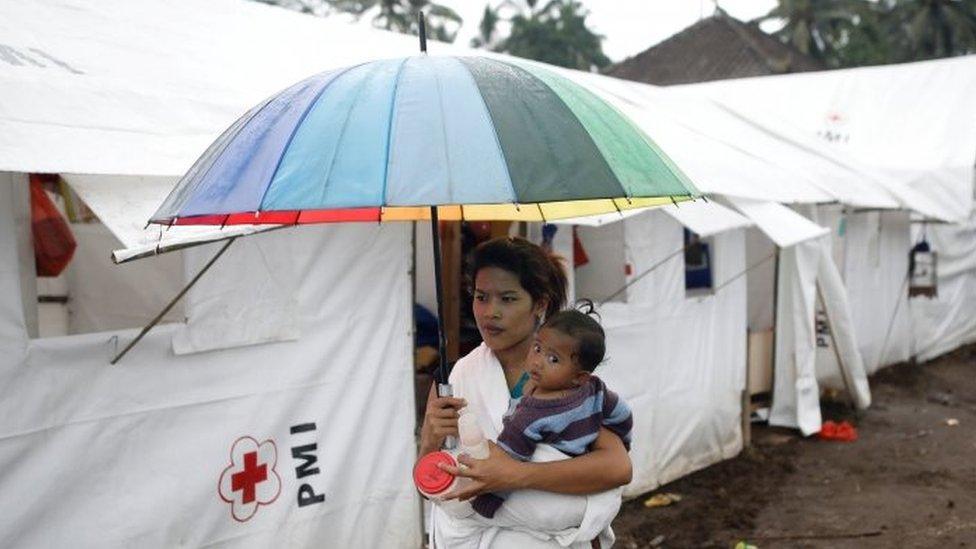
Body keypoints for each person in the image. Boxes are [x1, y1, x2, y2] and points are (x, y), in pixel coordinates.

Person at [418, 236, 632, 548]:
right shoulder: (454, 377)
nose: (490, 312)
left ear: (540, 303)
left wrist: (513, 475)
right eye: (481, 297)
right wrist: (429, 440)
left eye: (507, 299)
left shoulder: (570, 381)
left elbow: (617, 467)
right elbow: (430, 482)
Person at [470, 304, 633, 519]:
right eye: (537, 348)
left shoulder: (529, 417)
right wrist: (622, 439)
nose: (538, 362)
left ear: (579, 377)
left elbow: (506, 465)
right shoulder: (595, 390)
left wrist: (485, 504)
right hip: (581, 482)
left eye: (553, 359)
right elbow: (623, 416)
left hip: (557, 499)